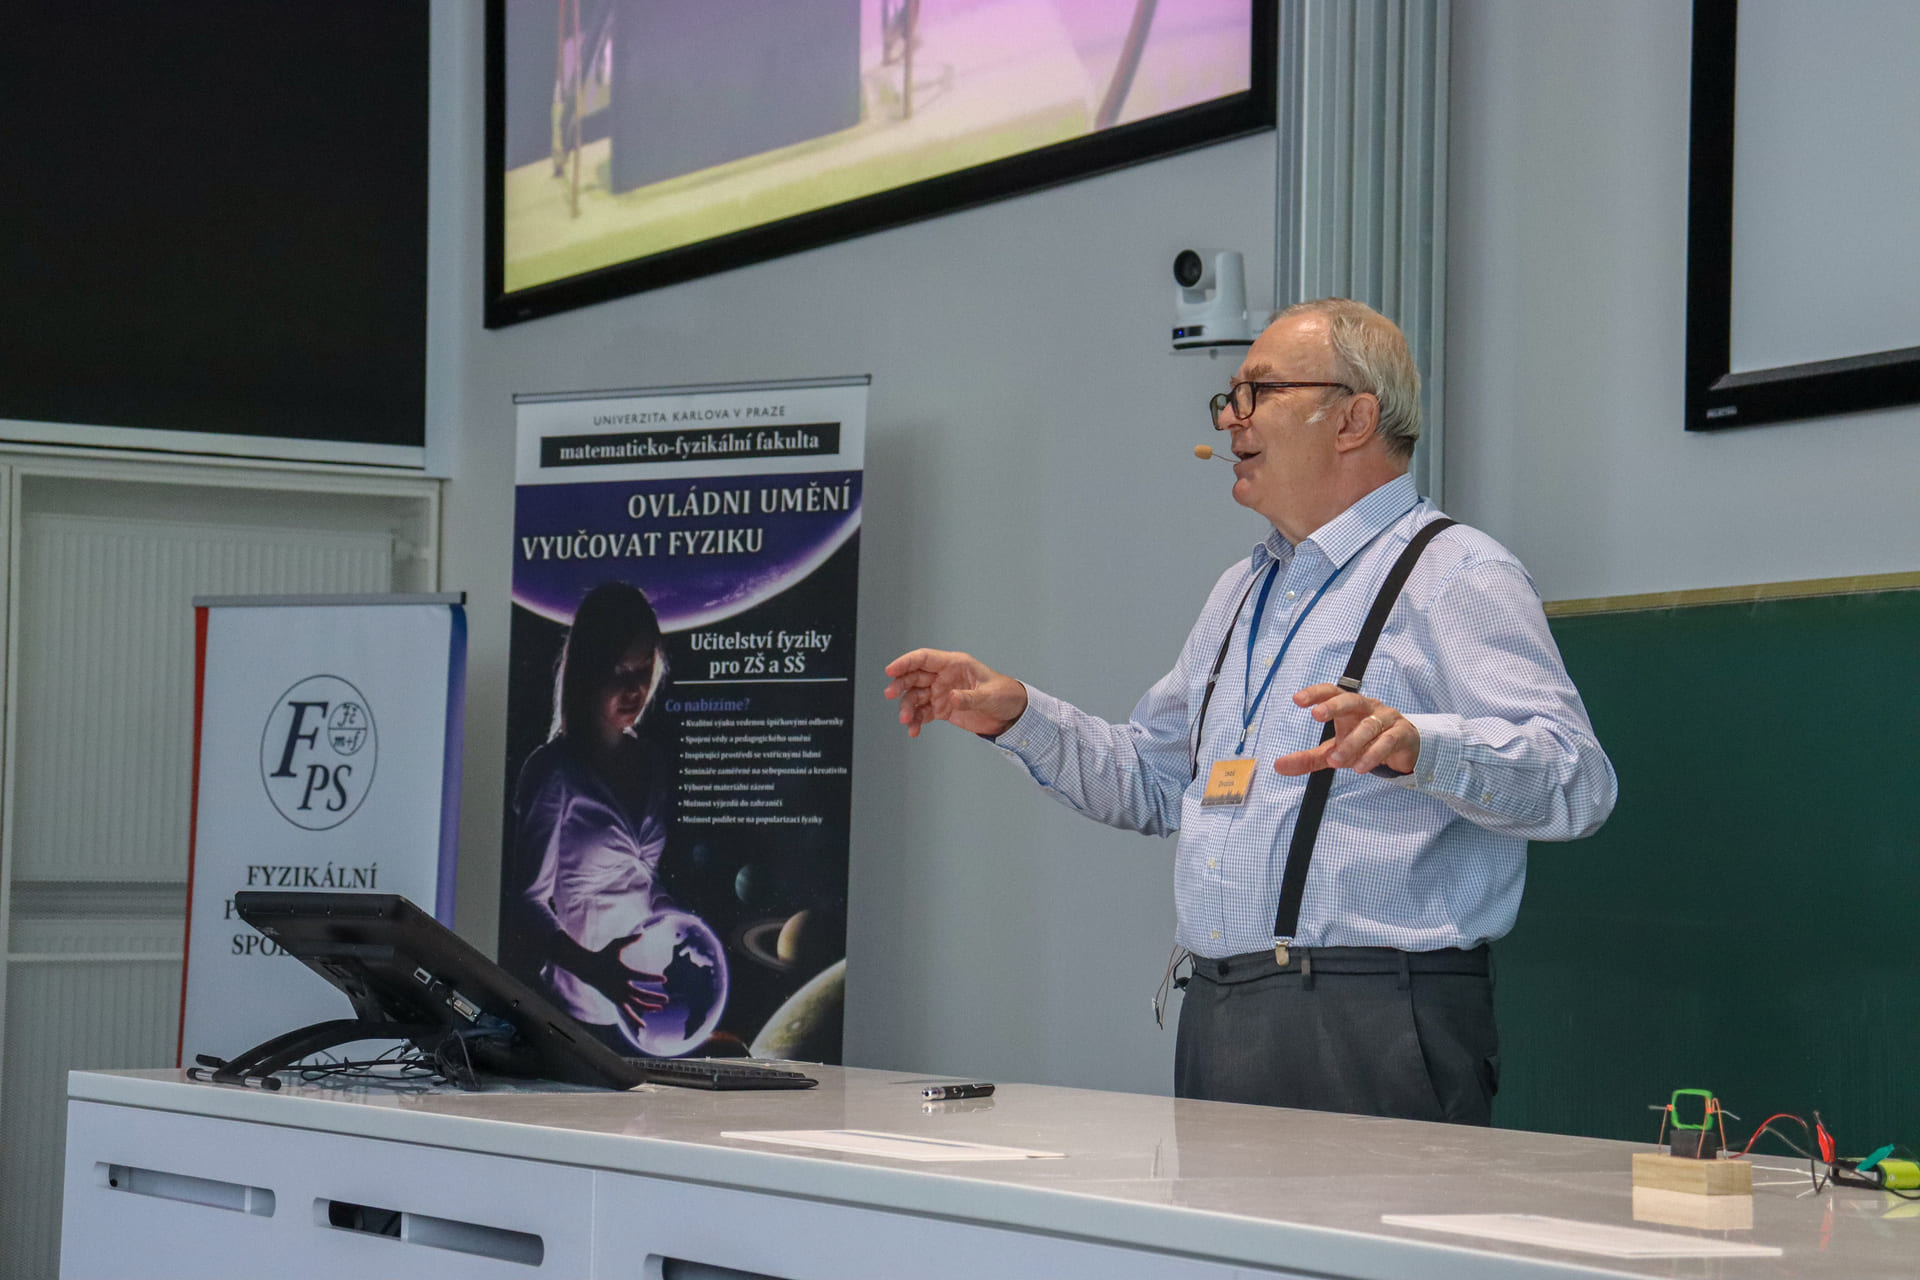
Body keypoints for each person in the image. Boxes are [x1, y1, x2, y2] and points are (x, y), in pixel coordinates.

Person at [884, 298, 1616, 1124]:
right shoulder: (1241, 591)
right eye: (1231, 398)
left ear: (1354, 419)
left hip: (1375, 1017)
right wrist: (1018, 715)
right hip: (1220, 1008)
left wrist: (1423, 746)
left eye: (1259, 392)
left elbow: (1576, 779)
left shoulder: (1456, 572)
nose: (1230, 418)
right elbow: (1155, 781)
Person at [506, 580, 675, 1051]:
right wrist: (595, 969)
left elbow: (641, 877)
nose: (635, 688)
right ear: (587, 671)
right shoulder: (553, 771)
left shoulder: (652, 762)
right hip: (579, 1007)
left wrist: (667, 909)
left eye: (644, 668)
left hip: (647, 1002)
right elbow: (527, 903)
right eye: (619, 671)